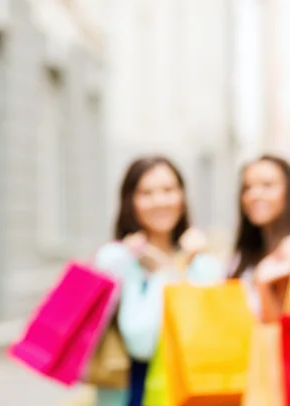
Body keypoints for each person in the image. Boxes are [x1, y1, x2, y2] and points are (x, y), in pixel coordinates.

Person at [91, 156, 223, 406]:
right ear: (131, 200)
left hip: (192, 393)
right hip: (130, 395)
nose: (159, 201)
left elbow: (211, 334)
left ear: (182, 197)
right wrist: (167, 272)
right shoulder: (116, 259)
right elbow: (141, 341)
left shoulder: (200, 261)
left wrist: (194, 262)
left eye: (168, 190)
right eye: (146, 192)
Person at [228, 154, 290, 322]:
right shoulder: (241, 258)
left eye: (267, 185)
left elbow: (281, 326)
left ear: (289, 193)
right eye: (247, 188)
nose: (255, 194)